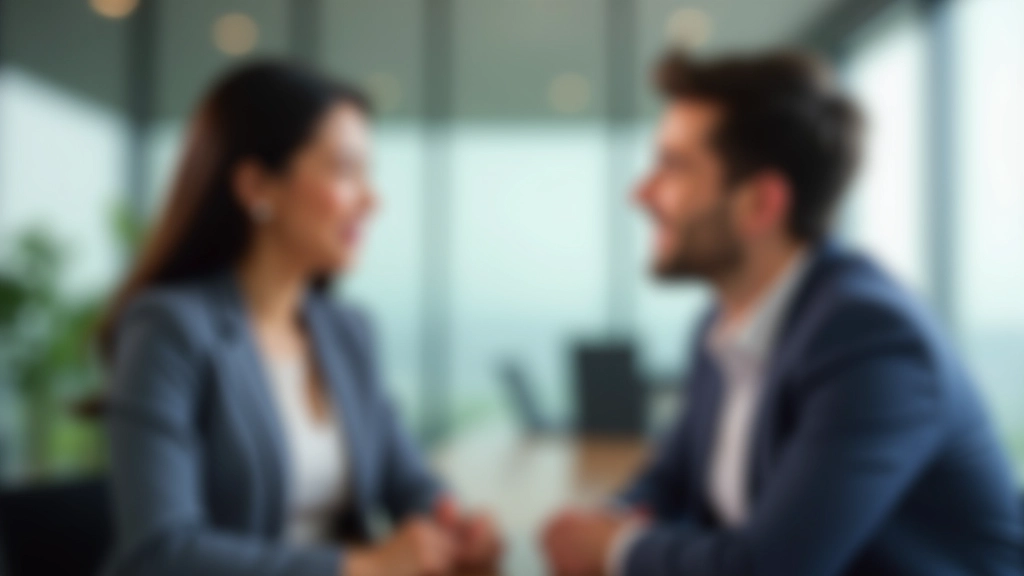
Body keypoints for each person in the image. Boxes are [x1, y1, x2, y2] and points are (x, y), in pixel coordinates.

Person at [541, 50, 1022, 576]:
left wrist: (615, 551)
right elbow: (671, 479)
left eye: (673, 166)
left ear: (761, 204)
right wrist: (608, 520)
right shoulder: (723, 326)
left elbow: (770, 569)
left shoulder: (870, 339)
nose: (642, 192)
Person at [98, 61, 501, 576]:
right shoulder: (169, 329)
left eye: (368, 173)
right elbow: (161, 554)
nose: (372, 199)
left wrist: (454, 525)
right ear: (257, 187)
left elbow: (406, 478)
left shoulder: (347, 331)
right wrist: (361, 568)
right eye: (345, 170)